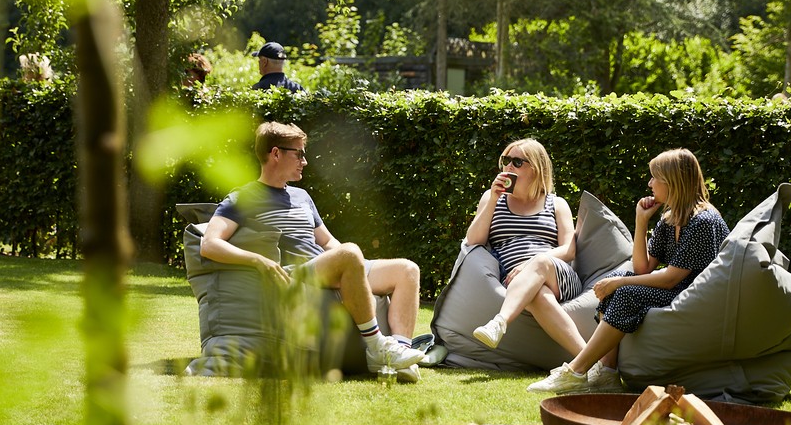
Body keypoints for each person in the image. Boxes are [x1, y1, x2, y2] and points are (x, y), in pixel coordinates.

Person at [200, 121, 424, 381]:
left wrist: (356, 268)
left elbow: (329, 242)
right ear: (275, 154)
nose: (304, 161)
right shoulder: (241, 198)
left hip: (326, 265)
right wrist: (259, 260)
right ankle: (376, 349)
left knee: (407, 270)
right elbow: (209, 243)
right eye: (299, 153)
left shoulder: (302, 196)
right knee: (350, 252)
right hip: (296, 271)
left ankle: (400, 355)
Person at [527, 148, 730, 394]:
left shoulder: (703, 222)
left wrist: (621, 283)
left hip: (698, 294)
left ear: (673, 181)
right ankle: (607, 374)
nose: (650, 183)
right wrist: (641, 221)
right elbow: (642, 267)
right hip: (677, 288)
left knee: (624, 291)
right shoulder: (671, 218)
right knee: (613, 282)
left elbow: (671, 279)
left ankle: (576, 371)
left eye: (655, 177)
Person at [467, 138, 593, 364]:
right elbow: (474, 240)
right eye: (506, 161)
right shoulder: (492, 198)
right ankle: (591, 365)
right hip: (518, 281)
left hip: (558, 275)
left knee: (540, 264)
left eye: (517, 162)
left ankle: (500, 322)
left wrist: (532, 262)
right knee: (537, 295)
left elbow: (568, 249)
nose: (508, 168)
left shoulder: (556, 203)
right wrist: (493, 199)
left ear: (536, 168)